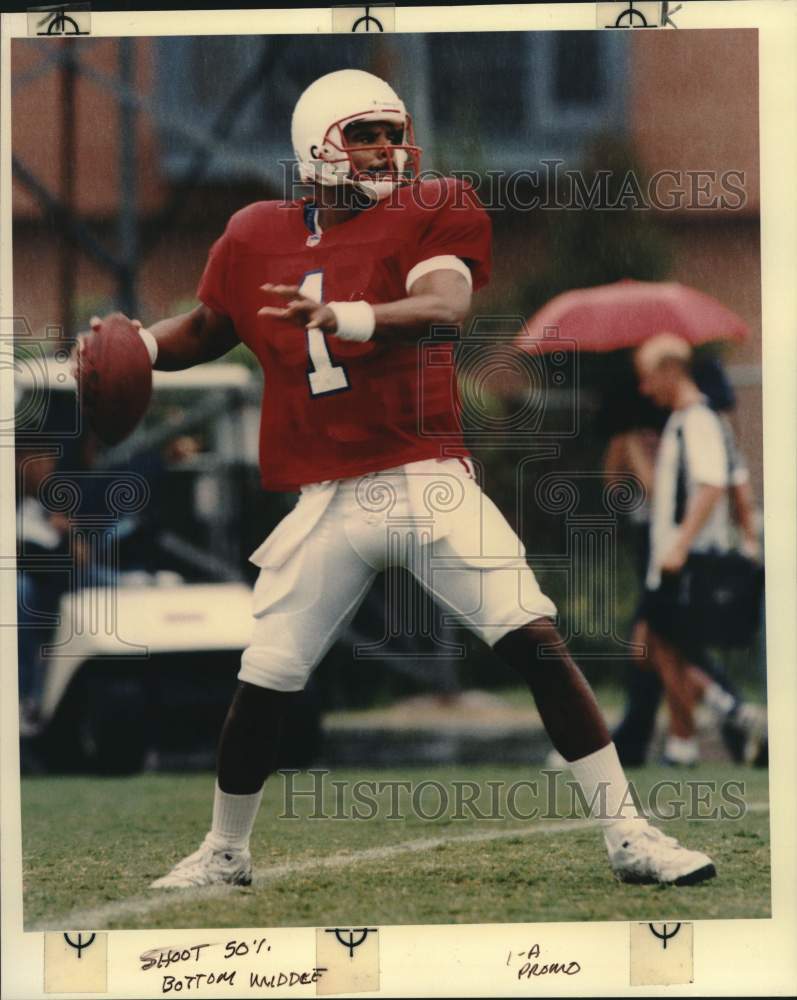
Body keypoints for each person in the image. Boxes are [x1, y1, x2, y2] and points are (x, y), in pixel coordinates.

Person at [94, 69, 714, 888]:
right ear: (318, 142)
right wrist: (136, 345)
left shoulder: (432, 208)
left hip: (425, 477)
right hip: (327, 495)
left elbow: (444, 307)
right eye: (366, 133)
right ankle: (224, 851)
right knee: (265, 676)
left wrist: (348, 317)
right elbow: (209, 326)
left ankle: (629, 835)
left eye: (394, 131)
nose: (388, 148)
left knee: (533, 638)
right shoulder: (252, 233)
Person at [632, 333, 761, 766]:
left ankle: (684, 744)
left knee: (666, 648)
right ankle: (730, 712)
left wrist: (680, 546)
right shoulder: (679, 421)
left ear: (671, 370)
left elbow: (712, 486)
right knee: (659, 648)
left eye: (649, 378)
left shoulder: (699, 420)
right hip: (671, 557)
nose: (645, 389)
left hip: (686, 559)